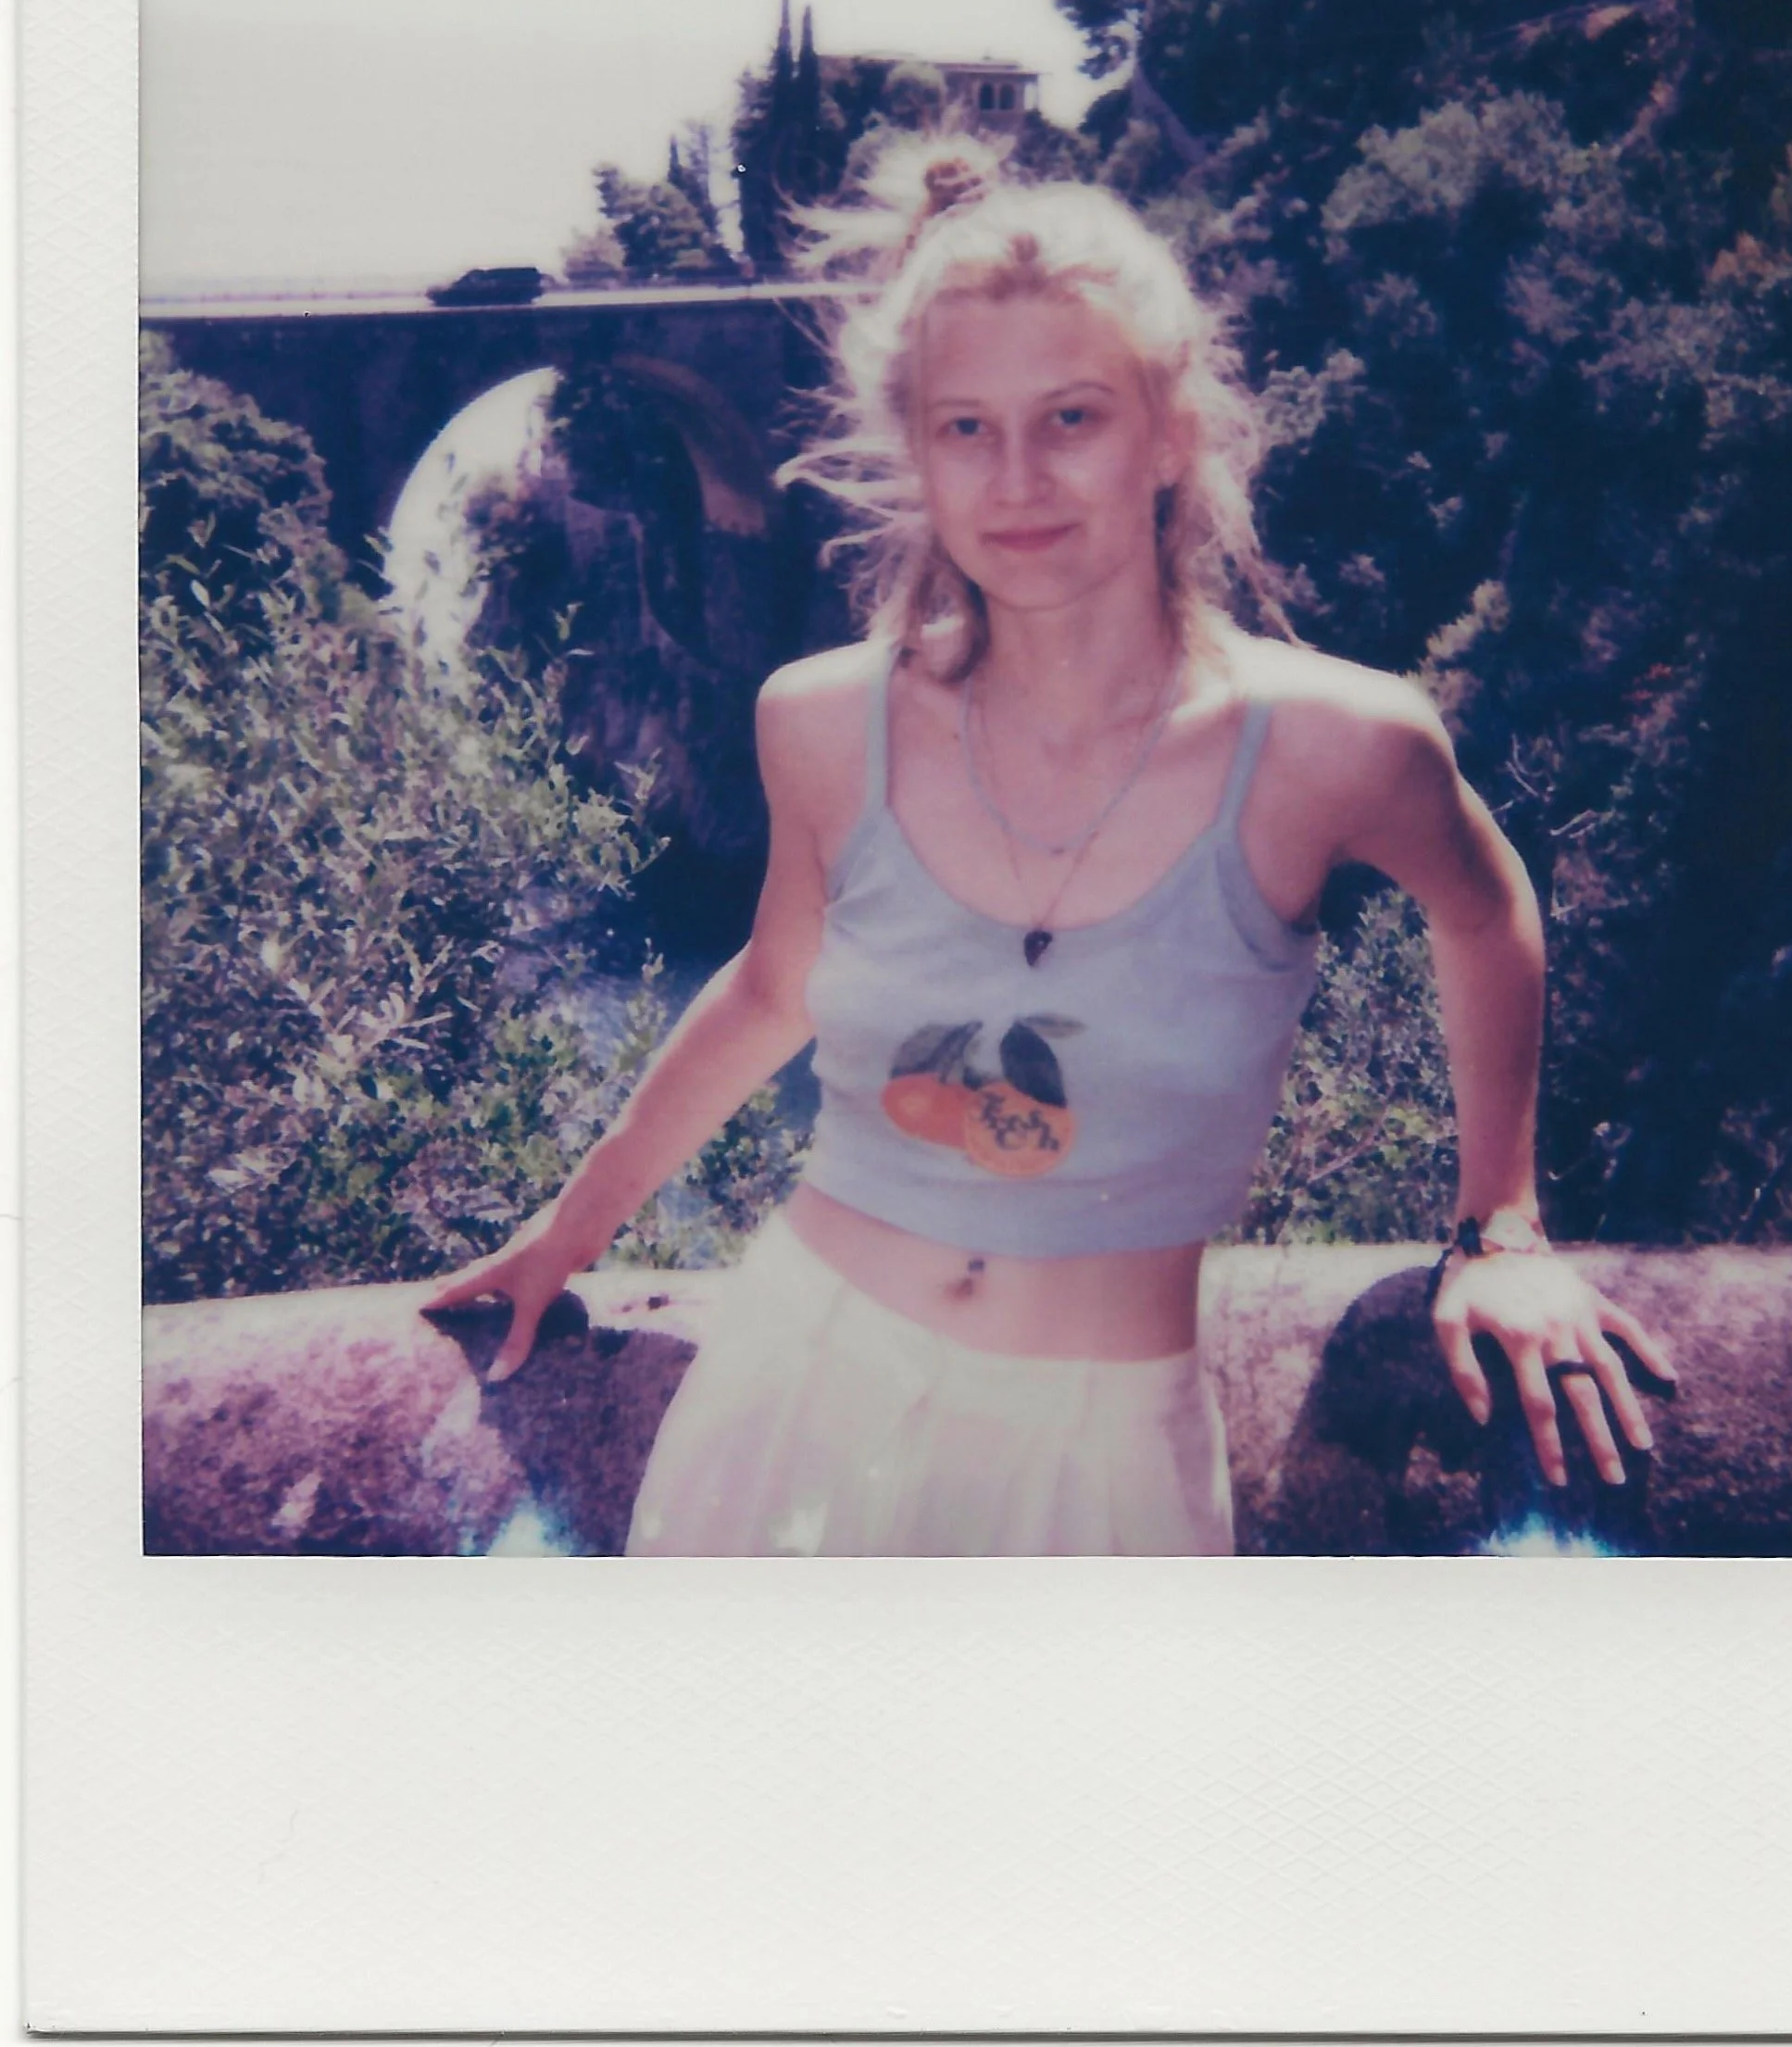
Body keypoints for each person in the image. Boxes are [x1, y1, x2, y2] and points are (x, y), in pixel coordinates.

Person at [424, 134, 1674, 1555]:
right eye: (964, 426)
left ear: (1169, 430)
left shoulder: (1336, 745)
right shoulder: (824, 721)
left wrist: (1498, 1220)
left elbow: (1485, 905)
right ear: (917, 454)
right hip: (795, 1384)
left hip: (1097, 1450)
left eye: (1069, 416)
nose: (1015, 476)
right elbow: (775, 991)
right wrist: (571, 1232)